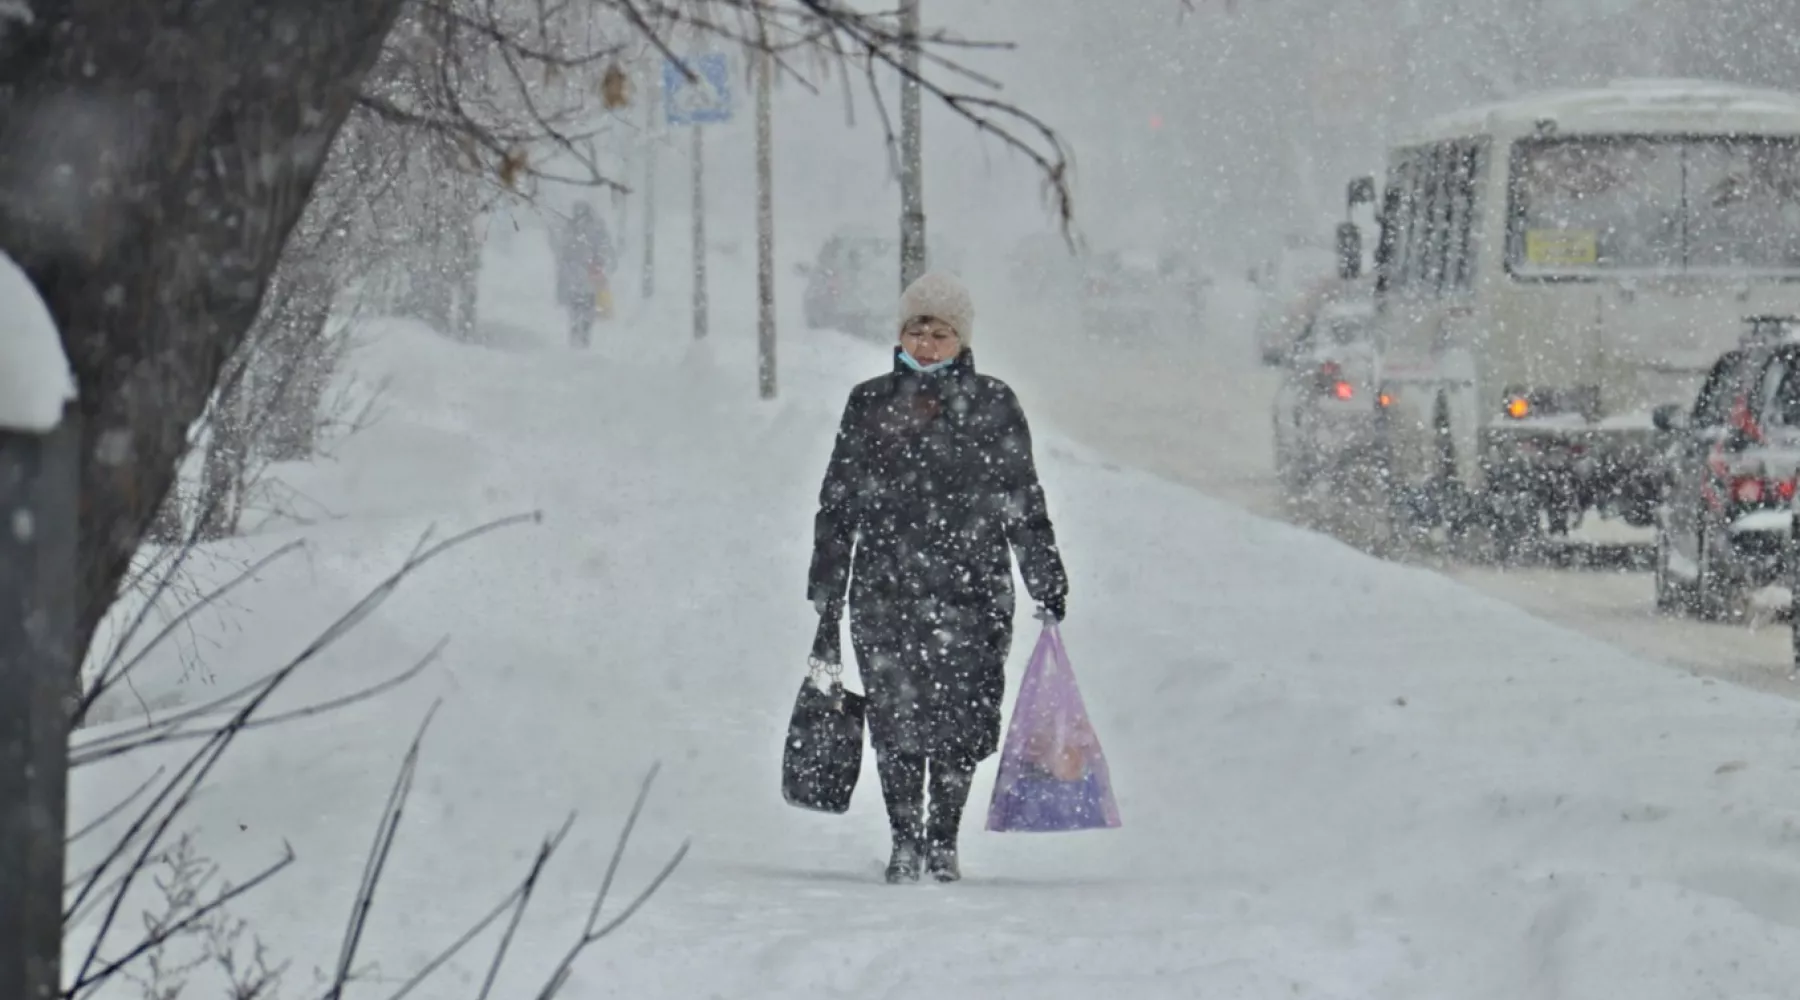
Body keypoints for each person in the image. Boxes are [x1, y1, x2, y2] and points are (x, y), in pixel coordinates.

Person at [807, 271, 1069, 884]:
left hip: (972, 589)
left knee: (962, 717)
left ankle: (944, 840)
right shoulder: (869, 402)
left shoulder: (994, 403)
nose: (926, 343)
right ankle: (904, 839)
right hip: (885, 587)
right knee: (895, 718)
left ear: (962, 338)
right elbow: (839, 500)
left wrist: (1044, 575)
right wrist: (827, 583)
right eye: (915, 330)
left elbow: (1022, 497)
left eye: (940, 332)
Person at [554, 201, 616, 347]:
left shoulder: (579, 229)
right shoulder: (583, 228)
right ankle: (580, 338)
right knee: (580, 311)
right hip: (581, 279)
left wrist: (597, 261)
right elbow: (562, 251)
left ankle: (580, 338)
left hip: (584, 279)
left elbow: (563, 251)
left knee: (582, 311)